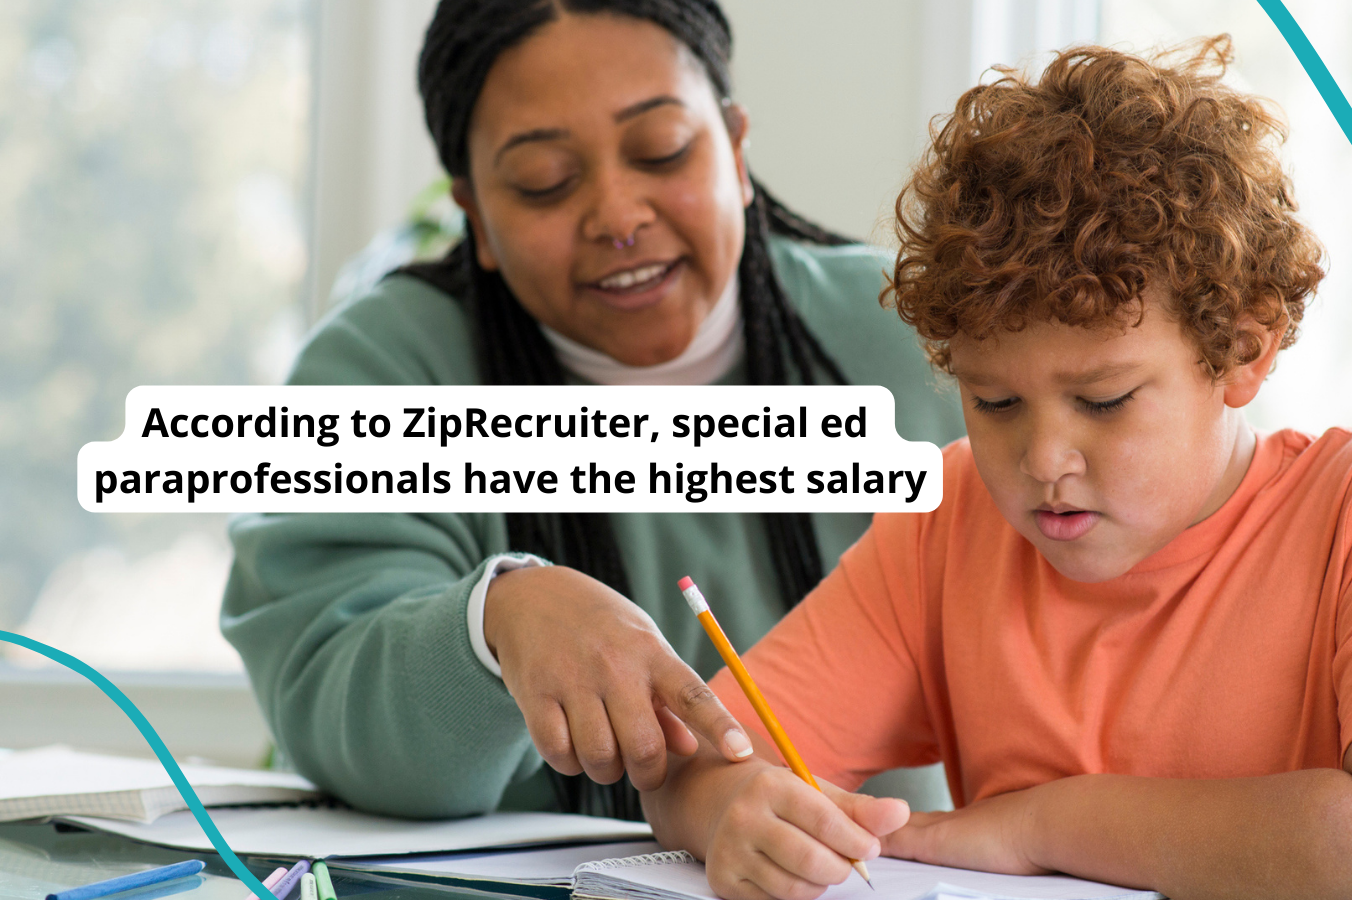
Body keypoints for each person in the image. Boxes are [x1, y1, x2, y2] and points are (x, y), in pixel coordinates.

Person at [642, 38, 1352, 900]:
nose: (1042, 461)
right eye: (993, 403)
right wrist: (731, 810)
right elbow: (696, 766)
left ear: (1245, 349)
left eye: (1104, 402)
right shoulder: (949, 521)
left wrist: (1042, 828)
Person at [221, 0, 964, 820]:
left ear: (737, 149)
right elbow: (331, 698)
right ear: (477, 219)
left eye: (662, 150)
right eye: (545, 181)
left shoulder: (916, 331)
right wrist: (493, 621)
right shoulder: (379, 372)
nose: (618, 217)